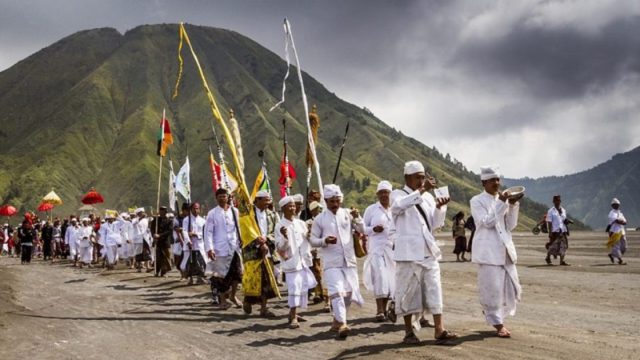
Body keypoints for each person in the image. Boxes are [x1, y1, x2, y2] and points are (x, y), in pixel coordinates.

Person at [390, 160, 457, 345]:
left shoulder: (427, 197)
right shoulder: (397, 194)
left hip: (427, 250)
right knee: (407, 291)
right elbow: (397, 207)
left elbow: (435, 224)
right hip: (408, 253)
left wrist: (440, 207)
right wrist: (421, 191)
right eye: (417, 178)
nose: (421, 181)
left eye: (423, 177)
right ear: (407, 178)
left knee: (435, 288)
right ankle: (409, 332)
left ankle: (439, 329)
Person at [470, 165, 523, 338]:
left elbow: (510, 225)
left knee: (512, 288)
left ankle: (495, 315)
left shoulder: (503, 200)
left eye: (498, 179)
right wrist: (501, 203)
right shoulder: (476, 201)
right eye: (492, 180)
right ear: (483, 182)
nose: (496, 183)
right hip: (488, 252)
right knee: (492, 289)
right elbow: (486, 222)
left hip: (505, 249)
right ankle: (498, 323)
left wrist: (513, 205)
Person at [310, 184, 365, 339]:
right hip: (331, 262)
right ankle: (343, 324)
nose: (335, 204)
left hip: (349, 261)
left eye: (337, 201)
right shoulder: (320, 219)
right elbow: (313, 240)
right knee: (336, 292)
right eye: (331, 201)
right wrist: (325, 240)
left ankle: (336, 321)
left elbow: (362, 229)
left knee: (347, 294)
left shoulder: (348, 214)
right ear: (326, 201)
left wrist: (358, 217)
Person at [276, 195, 317, 329]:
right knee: (294, 287)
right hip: (291, 262)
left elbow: (308, 239)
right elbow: (279, 247)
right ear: (283, 209)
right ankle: (293, 315)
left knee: (301, 287)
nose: (293, 208)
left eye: (294, 206)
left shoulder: (300, 223)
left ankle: (294, 312)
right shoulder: (280, 225)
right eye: (290, 206)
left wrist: (310, 232)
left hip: (303, 260)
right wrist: (285, 237)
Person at [242, 190, 280, 317]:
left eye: (269, 200)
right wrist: (257, 242)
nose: (268, 202)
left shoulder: (273, 215)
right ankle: (248, 300)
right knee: (252, 279)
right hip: (252, 253)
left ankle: (264, 307)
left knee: (267, 279)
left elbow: (277, 232)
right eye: (265, 200)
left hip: (268, 251)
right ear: (257, 200)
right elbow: (245, 232)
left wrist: (267, 239)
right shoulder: (248, 215)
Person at [362, 180, 396, 322]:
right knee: (380, 277)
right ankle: (379, 310)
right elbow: (362, 228)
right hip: (376, 249)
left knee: (390, 280)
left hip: (392, 249)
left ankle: (387, 308)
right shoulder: (371, 210)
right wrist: (373, 230)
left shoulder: (395, 209)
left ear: (391, 194)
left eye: (386, 193)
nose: (383, 195)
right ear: (377, 194)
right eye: (381, 193)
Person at [205, 188, 243, 309]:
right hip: (219, 248)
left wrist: (241, 239)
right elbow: (208, 232)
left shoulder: (234, 211)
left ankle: (233, 295)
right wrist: (209, 248)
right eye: (220, 196)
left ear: (228, 197)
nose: (222, 198)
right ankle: (222, 300)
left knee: (237, 274)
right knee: (221, 276)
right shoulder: (212, 213)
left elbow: (239, 228)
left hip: (234, 247)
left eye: (224, 196)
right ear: (216, 198)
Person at [181, 203, 208, 285]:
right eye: (194, 208)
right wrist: (188, 240)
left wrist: (196, 234)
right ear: (191, 209)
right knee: (189, 263)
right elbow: (184, 231)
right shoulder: (186, 220)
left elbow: (205, 233)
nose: (196, 210)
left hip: (199, 245)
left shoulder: (203, 221)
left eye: (197, 208)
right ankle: (190, 278)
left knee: (201, 262)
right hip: (190, 245)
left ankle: (200, 278)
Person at [545, 195, 571, 266]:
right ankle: (548, 257)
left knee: (564, 246)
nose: (558, 202)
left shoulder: (563, 210)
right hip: (555, 231)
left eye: (559, 200)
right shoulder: (551, 211)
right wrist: (550, 232)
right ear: (553, 201)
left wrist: (567, 222)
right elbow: (549, 222)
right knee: (553, 246)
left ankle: (562, 261)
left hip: (563, 230)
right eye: (556, 200)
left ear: (560, 201)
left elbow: (564, 220)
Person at [150, 206, 173, 277]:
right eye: (161, 211)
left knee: (166, 257)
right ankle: (157, 271)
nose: (162, 212)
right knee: (158, 257)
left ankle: (164, 271)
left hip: (165, 242)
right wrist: (154, 235)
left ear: (165, 212)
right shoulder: (156, 220)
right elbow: (152, 228)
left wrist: (160, 235)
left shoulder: (169, 221)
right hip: (157, 242)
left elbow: (169, 231)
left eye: (163, 211)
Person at [607, 198, 627, 265]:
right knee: (616, 246)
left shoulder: (620, 213)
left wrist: (620, 221)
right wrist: (621, 221)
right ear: (612, 205)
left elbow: (625, 222)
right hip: (614, 231)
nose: (617, 206)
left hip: (622, 231)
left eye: (618, 204)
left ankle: (612, 254)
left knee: (624, 247)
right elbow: (617, 220)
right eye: (615, 205)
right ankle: (620, 260)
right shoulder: (611, 213)